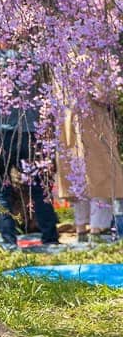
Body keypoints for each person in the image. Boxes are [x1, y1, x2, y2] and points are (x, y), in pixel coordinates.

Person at [0, 42, 58, 247]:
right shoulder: (31, 58)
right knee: (39, 185)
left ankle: (8, 240)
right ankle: (50, 236)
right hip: (28, 132)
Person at [57, 93, 123, 243]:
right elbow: (104, 94)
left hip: (68, 123)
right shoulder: (95, 69)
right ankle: (96, 230)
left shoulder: (61, 70)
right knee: (101, 177)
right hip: (94, 124)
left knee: (78, 178)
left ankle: (81, 229)